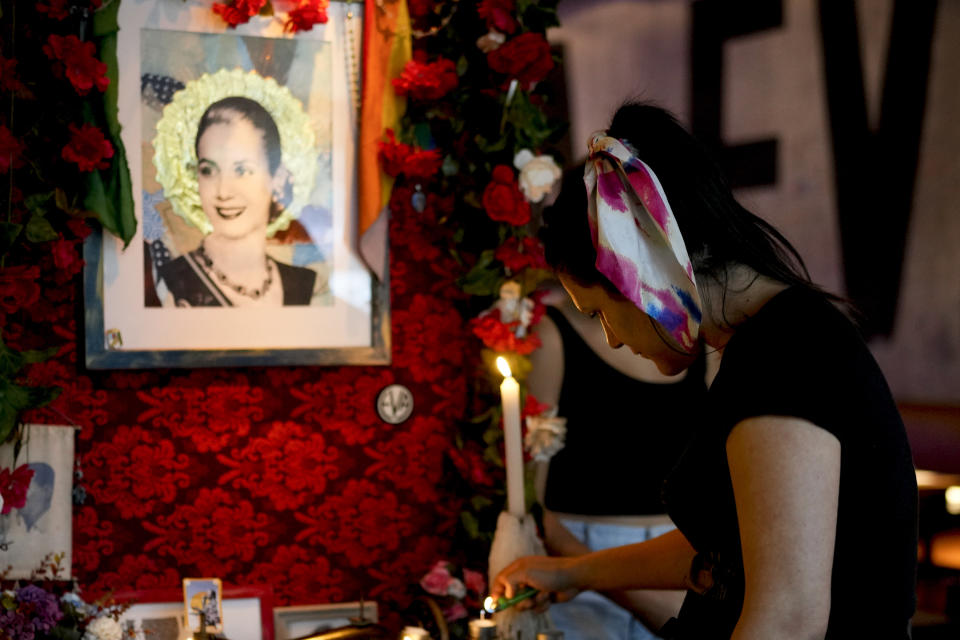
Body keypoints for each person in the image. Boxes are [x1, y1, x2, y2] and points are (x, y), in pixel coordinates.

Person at [492, 102, 918, 639]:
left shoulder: (783, 354)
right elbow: (736, 546)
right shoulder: (771, 342)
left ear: (640, 268)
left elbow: (786, 620)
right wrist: (575, 571)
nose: (613, 337)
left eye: (601, 311)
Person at [152, 96, 317, 307]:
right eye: (208, 171)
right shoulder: (171, 284)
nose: (223, 191)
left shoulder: (304, 285)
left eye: (241, 170)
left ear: (277, 179)